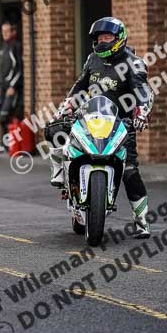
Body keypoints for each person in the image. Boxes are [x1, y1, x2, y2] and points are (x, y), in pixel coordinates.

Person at [51, 17, 153, 238]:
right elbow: (80, 86)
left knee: (129, 171)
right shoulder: (92, 59)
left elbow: (143, 91)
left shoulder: (133, 62)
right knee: (63, 143)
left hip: (121, 125)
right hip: (91, 119)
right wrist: (67, 105)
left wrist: (142, 111)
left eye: (107, 37)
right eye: (99, 38)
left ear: (119, 38)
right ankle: (65, 183)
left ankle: (141, 220)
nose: (102, 41)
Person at [0, 21, 23, 136]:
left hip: (12, 87)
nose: (4, 34)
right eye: (3, 32)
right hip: (3, 86)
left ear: (13, 32)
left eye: (7, 31)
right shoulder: (4, 46)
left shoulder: (16, 46)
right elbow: (1, 67)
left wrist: (13, 86)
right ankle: (4, 142)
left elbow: (20, 68)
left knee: (5, 114)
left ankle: (8, 143)